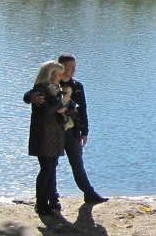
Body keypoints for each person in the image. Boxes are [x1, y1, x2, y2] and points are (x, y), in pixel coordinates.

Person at [25, 54, 108, 206]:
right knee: (51, 166)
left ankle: (89, 193)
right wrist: (30, 97)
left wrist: (85, 131)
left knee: (77, 163)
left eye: (74, 68)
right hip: (54, 132)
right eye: (69, 68)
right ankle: (52, 198)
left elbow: (83, 110)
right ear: (60, 68)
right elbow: (30, 94)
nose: (72, 71)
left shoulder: (77, 86)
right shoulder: (50, 85)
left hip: (72, 131)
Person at [25, 60, 69, 215]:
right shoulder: (41, 89)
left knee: (50, 169)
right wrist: (60, 108)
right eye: (57, 75)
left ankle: (46, 203)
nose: (60, 78)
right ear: (50, 75)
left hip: (54, 134)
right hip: (43, 134)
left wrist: (65, 107)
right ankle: (41, 204)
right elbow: (45, 110)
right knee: (46, 169)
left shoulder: (55, 89)